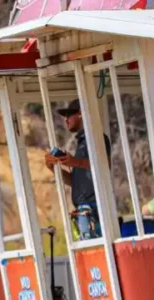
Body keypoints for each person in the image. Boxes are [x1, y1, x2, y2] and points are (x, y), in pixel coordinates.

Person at [44, 98, 112, 239]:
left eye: (69, 115)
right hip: (84, 210)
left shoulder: (97, 138)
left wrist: (75, 162)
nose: (66, 120)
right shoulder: (82, 143)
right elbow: (73, 181)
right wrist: (53, 168)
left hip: (94, 209)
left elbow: (105, 166)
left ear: (80, 113)